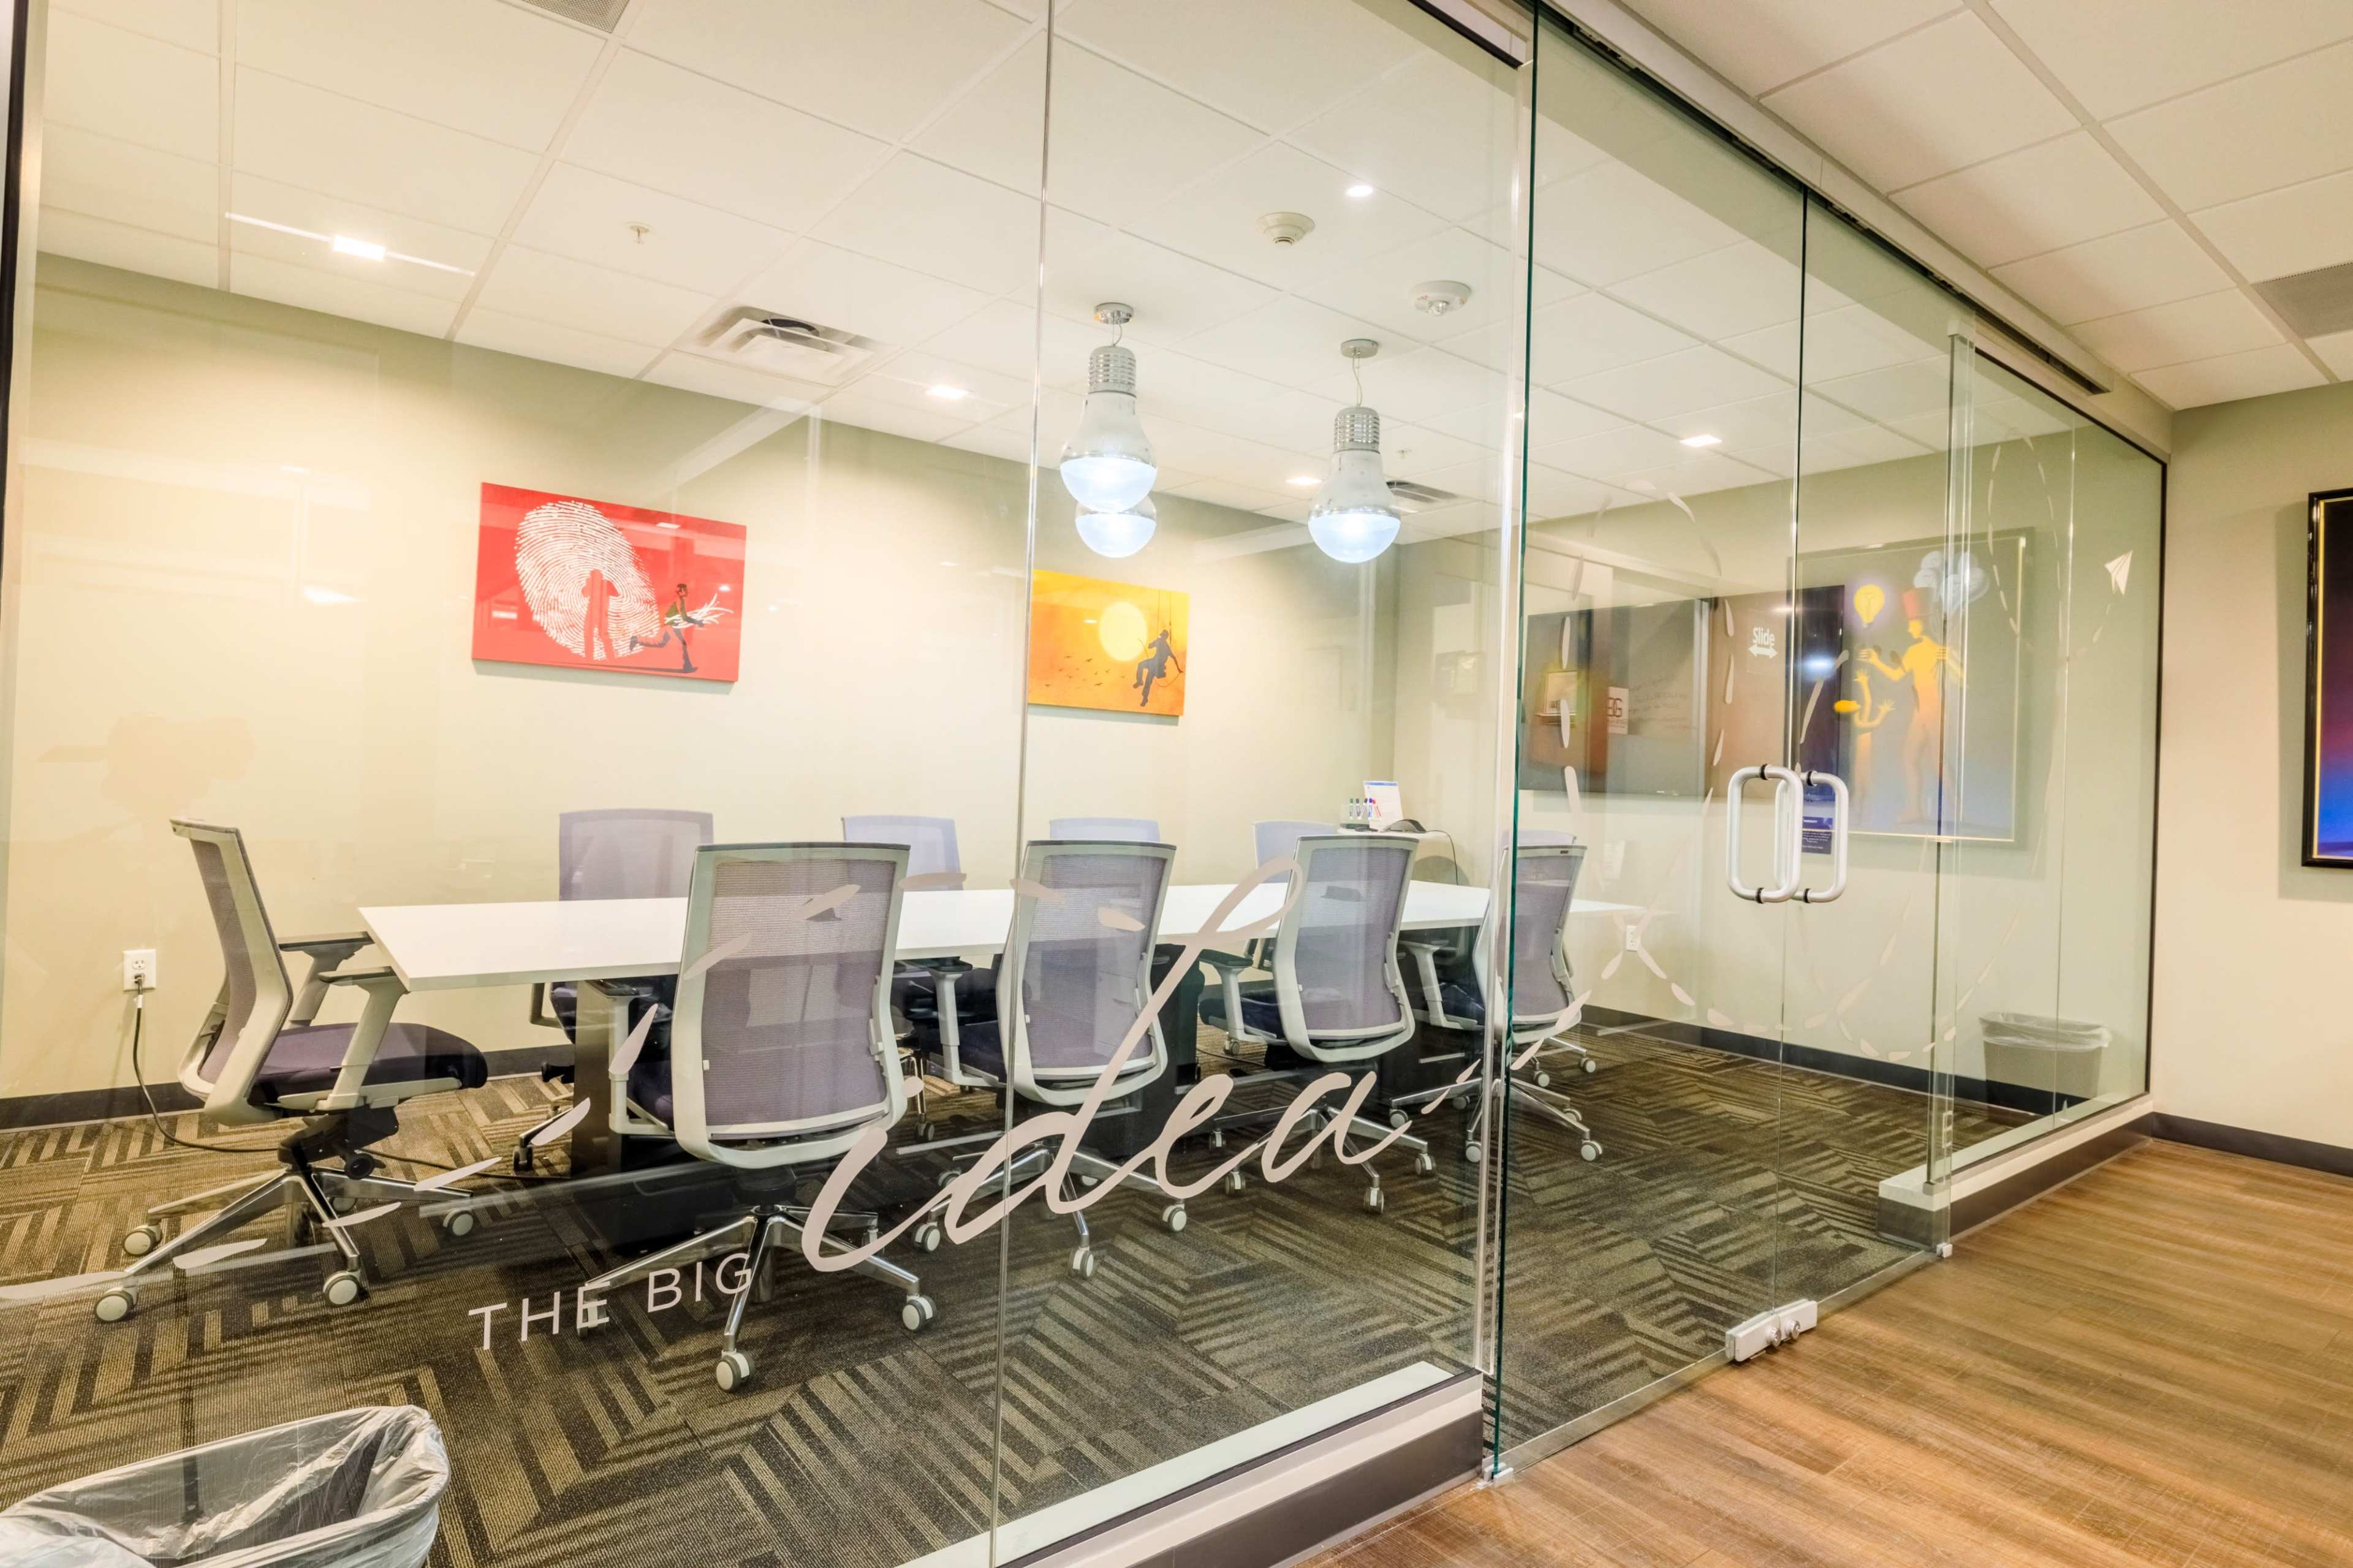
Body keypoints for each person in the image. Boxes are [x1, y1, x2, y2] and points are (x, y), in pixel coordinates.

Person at [629, 582, 700, 674]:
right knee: (682, 645)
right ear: (681, 592)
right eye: (685, 591)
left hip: (669, 624)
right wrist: (697, 621)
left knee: (660, 642)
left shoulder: (679, 599)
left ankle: (636, 639)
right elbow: (682, 615)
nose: (687, 593)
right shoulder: (678, 600)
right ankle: (687, 666)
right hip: (671, 625)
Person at [1133, 626, 1179, 706]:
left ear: (1165, 637)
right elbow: (1150, 646)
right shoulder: (1159, 642)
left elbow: (1174, 657)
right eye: (1162, 636)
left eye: (1163, 636)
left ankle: (1144, 699)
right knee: (1141, 665)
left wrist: (1179, 669)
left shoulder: (1165, 646)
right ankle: (1140, 682)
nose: (1162, 638)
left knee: (1148, 681)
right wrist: (1153, 643)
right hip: (1153, 663)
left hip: (1157, 667)